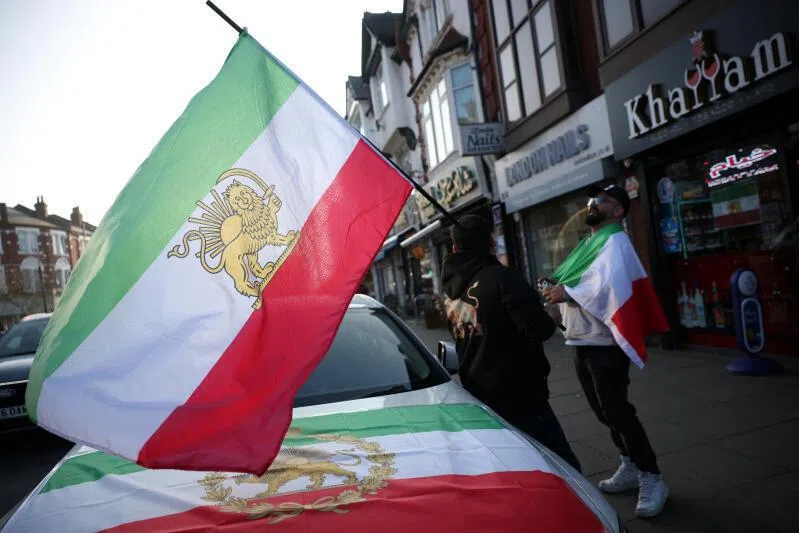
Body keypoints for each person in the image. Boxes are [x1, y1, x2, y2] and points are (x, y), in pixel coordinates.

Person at [541, 184, 669, 518]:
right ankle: (629, 462)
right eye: (591, 201)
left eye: (602, 201)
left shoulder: (616, 241)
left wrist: (565, 292)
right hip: (581, 340)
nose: (592, 205)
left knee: (618, 411)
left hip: (604, 345)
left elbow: (607, 285)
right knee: (603, 412)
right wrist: (554, 288)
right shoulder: (590, 243)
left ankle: (651, 475)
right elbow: (576, 279)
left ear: (618, 210)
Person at [441, 214, 582, 472]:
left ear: (454, 248)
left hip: (479, 392)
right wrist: (551, 315)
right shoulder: (502, 279)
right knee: (562, 467)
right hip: (520, 392)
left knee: (514, 467)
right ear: (490, 242)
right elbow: (539, 329)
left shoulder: (449, 289)